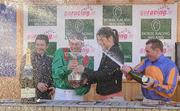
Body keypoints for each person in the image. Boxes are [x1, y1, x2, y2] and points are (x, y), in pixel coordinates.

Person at [74, 27, 124, 100]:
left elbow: (105, 75)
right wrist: (87, 80)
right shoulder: (108, 52)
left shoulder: (115, 53)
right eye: (98, 40)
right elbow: (101, 75)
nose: (99, 42)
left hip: (112, 98)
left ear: (110, 38)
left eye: (101, 39)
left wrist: (84, 70)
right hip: (107, 97)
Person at [52, 32, 93, 100]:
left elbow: (88, 82)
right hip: (61, 93)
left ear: (82, 44)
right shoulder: (60, 52)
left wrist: (80, 85)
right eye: (72, 43)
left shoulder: (87, 59)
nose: (74, 47)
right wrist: (67, 68)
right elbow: (55, 74)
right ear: (68, 42)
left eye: (77, 44)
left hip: (77, 95)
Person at [20, 34, 55, 99]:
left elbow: (53, 77)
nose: (39, 47)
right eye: (37, 44)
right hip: (29, 97)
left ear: (47, 46)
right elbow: (22, 78)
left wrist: (53, 87)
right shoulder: (27, 57)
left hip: (46, 97)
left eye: (42, 45)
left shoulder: (50, 60)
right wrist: (37, 84)